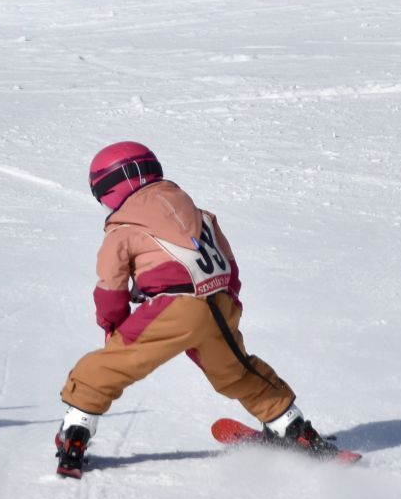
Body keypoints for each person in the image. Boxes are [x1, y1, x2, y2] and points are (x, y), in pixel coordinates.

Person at [53, 142, 337, 479]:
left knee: (106, 366)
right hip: (219, 303)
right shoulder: (199, 214)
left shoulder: (123, 229)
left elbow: (110, 287)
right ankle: (292, 427)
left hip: (173, 308)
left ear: (112, 188)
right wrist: (229, 305)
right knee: (238, 371)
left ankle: (75, 435)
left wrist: (113, 323)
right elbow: (229, 265)